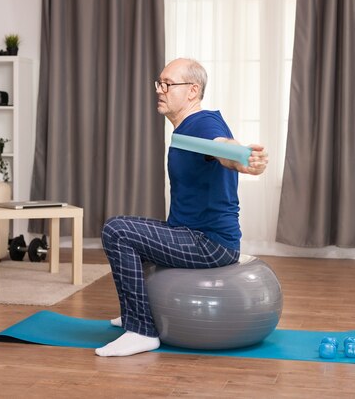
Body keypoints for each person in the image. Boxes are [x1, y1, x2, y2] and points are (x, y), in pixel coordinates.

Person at [95, 58, 269, 357]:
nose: (160, 90)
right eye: (158, 83)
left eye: (167, 84)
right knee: (129, 228)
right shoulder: (185, 128)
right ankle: (135, 314)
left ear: (192, 91)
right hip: (189, 233)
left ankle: (141, 331)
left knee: (117, 230)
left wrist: (243, 158)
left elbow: (222, 147)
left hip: (210, 244)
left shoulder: (202, 123)